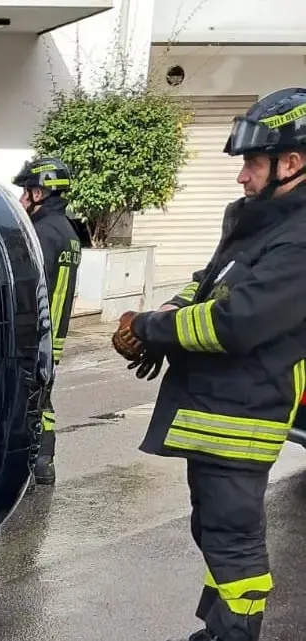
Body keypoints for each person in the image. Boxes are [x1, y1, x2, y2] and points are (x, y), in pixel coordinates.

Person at [112, 87, 306, 641]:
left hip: (244, 416)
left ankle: (234, 634)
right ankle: (218, 630)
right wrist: (166, 317)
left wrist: (150, 328)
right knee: (214, 531)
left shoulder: (300, 238)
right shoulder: (263, 222)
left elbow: (235, 321)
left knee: (233, 539)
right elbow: (209, 285)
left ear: (292, 162)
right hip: (220, 410)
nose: (241, 176)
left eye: (253, 163)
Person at [12, 156, 82, 485]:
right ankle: (44, 463)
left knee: (24, 402)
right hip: (55, 335)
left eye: (26, 192)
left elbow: (26, 287)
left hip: (35, 334)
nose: (22, 199)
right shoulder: (68, 232)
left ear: (39, 194)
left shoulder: (39, 233)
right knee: (42, 399)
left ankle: (25, 467)